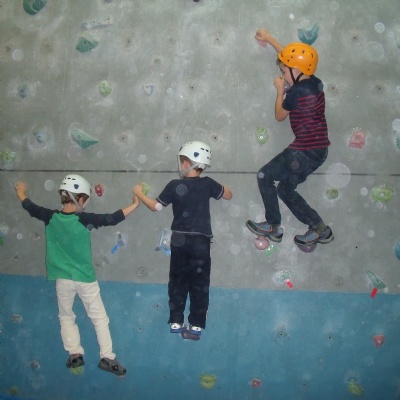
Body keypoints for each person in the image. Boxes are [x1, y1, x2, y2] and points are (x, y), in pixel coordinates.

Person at [15, 174, 140, 376]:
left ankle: (75, 354)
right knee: (99, 319)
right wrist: (135, 203)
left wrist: (21, 192)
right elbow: (112, 218)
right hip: (85, 278)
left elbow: (30, 207)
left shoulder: (50, 217)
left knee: (66, 317)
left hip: (62, 278)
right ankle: (107, 357)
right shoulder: (84, 219)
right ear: (80, 199)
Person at [133, 141, 232, 338]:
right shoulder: (208, 184)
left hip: (180, 239)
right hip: (201, 241)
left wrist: (138, 193)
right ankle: (196, 325)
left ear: (187, 163)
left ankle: (176, 320)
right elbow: (228, 195)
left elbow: (155, 207)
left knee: (178, 281)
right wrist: (222, 187)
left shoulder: (174, 185)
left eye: (181, 161)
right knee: (200, 284)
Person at [246, 29, 333, 247]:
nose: (283, 76)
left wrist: (279, 90)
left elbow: (279, 116)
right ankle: (320, 229)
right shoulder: (314, 82)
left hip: (304, 151)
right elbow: (292, 57)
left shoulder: (296, 93)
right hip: (319, 151)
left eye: (284, 72)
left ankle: (273, 225)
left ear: (296, 71)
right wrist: (270, 39)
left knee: (264, 175)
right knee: (284, 189)